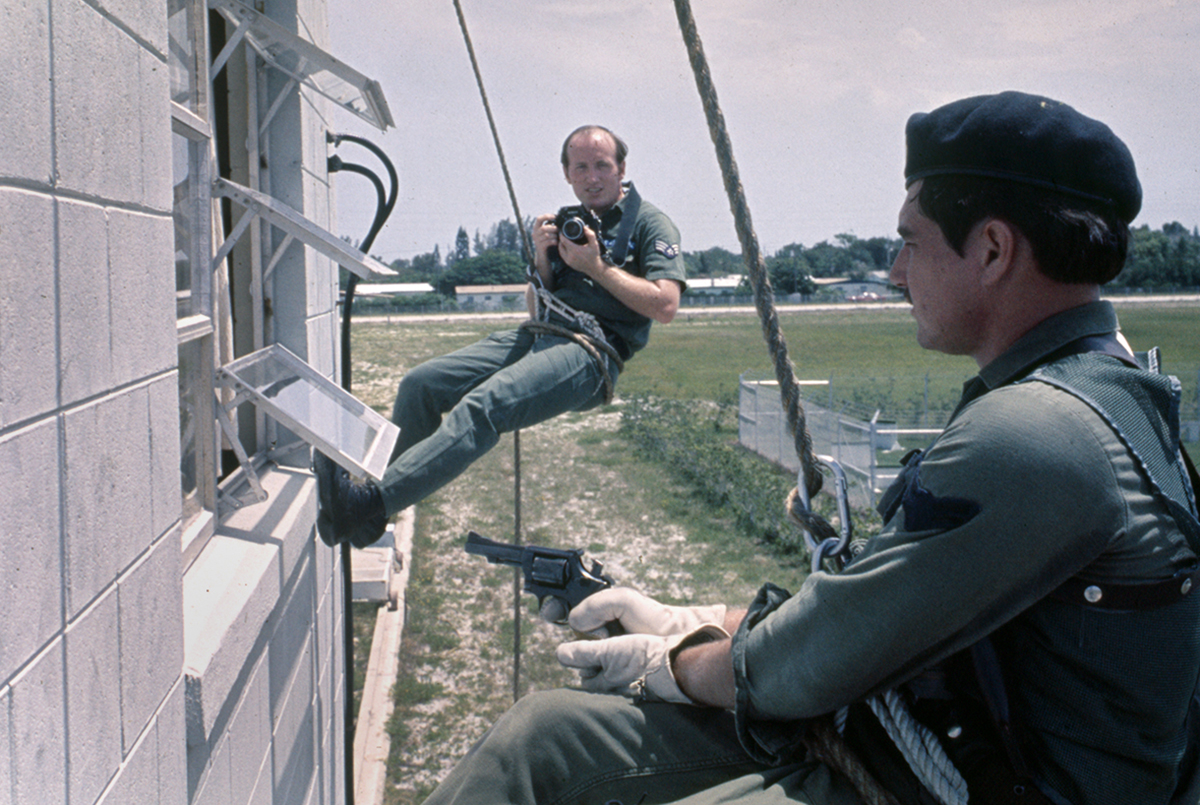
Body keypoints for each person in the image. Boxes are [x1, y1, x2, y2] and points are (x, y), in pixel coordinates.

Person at [418, 92, 1200, 805]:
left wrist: (674, 657)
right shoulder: (1087, 390)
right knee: (544, 733)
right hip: (917, 733)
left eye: (911, 243)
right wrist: (687, 616)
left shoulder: (1037, 433)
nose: (895, 273)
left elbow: (822, 654)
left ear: (993, 250)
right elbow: (879, 600)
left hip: (952, 776)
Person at [315, 125, 687, 547]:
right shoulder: (572, 222)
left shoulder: (649, 224)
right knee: (420, 385)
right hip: (542, 333)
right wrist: (543, 260)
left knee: (485, 407)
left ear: (622, 168)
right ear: (567, 174)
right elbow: (537, 306)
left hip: (592, 353)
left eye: (603, 165)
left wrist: (596, 267)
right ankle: (366, 517)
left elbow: (666, 305)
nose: (593, 177)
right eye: (580, 167)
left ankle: (368, 502)